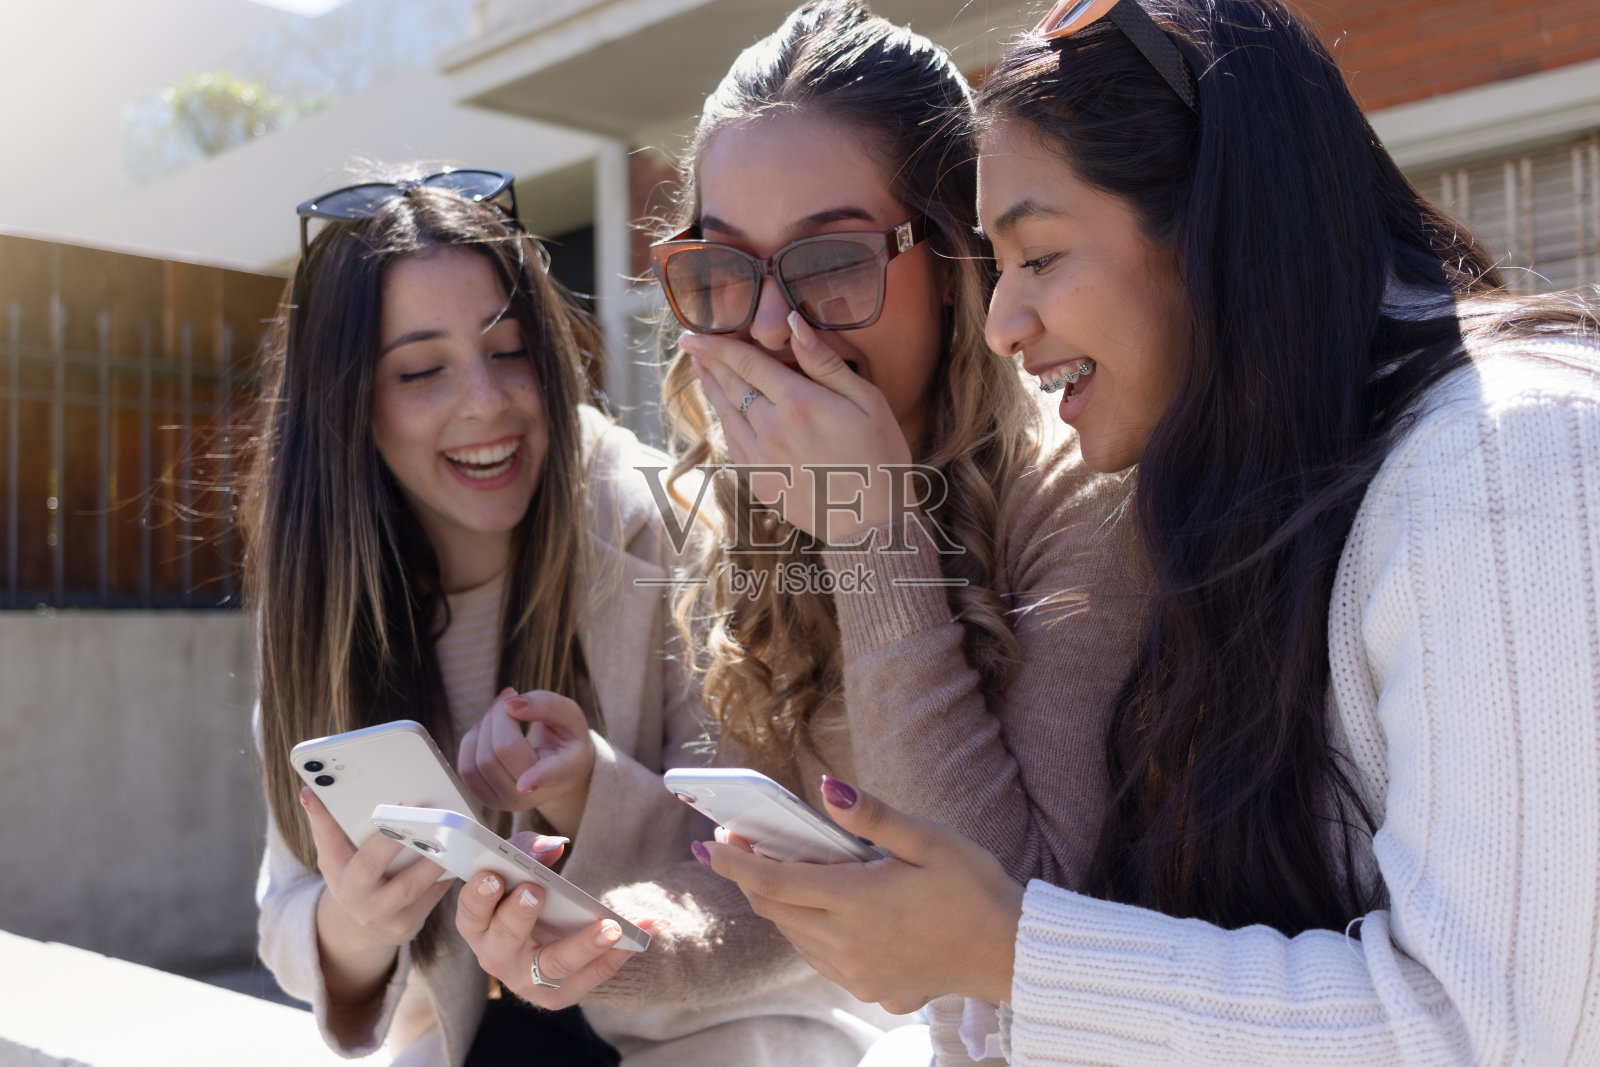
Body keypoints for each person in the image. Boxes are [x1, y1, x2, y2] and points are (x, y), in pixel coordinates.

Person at [701, 0, 1600, 1062]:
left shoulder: (1506, 458)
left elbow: (1497, 1028)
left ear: (1219, 227)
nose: (1002, 321)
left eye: (1035, 257)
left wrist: (1012, 953)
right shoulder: (1257, 489)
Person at [642, 0, 1147, 1059]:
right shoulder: (756, 515)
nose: (775, 329)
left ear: (958, 261)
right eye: (727, 269)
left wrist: (871, 531)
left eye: (831, 260)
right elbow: (799, 898)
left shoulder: (1084, 499)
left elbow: (1002, 933)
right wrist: (615, 941)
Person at [247, 169, 715, 1066]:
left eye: (508, 352)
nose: (486, 402)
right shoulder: (320, 603)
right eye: (421, 369)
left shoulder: (660, 524)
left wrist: (589, 790)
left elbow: (755, 858)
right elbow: (285, 912)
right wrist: (360, 919)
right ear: (348, 408)